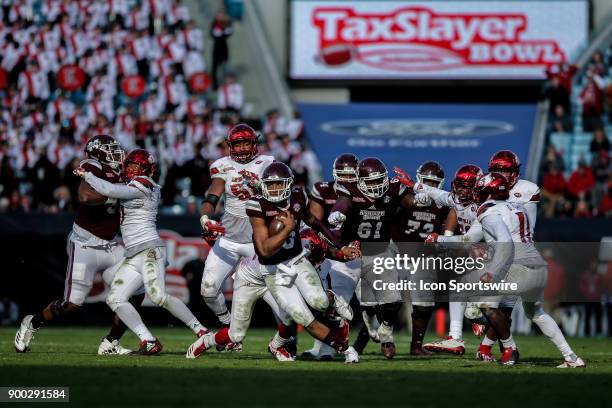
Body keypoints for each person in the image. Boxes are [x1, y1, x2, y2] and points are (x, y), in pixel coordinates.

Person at [74, 149, 208, 355]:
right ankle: (148, 340)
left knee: (158, 296)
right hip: (134, 254)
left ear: (147, 170)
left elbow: (108, 190)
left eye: (137, 167)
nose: (132, 170)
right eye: (129, 166)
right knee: (115, 299)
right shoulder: (134, 185)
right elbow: (109, 192)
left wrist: (87, 175)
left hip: (149, 250)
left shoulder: (144, 184)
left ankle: (201, 331)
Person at [15, 135, 136, 355]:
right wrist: (116, 194)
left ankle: (111, 342)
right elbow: (85, 196)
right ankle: (32, 322)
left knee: (134, 290)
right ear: (98, 153)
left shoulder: (122, 172)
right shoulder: (92, 166)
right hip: (85, 244)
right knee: (72, 303)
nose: (117, 154)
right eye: (110, 149)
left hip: (111, 245)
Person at [199, 124, 274, 347]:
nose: (241, 148)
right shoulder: (222, 166)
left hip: (258, 242)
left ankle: (284, 340)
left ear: (254, 144)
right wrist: (205, 217)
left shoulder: (268, 163)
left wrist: (261, 186)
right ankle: (227, 324)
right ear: (230, 146)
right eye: (237, 144)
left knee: (277, 296)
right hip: (229, 238)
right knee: (208, 290)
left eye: (245, 143)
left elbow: (280, 193)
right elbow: (213, 195)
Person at [210, 9, 233, 90]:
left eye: (222, 15)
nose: (221, 17)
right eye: (219, 15)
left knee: (225, 66)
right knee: (215, 67)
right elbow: (214, 35)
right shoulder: (214, 24)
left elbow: (229, 33)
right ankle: (215, 84)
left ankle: (226, 83)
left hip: (224, 47)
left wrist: (222, 34)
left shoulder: (227, 23)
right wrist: (223, 34)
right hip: (217, 47)